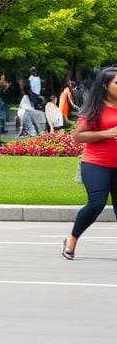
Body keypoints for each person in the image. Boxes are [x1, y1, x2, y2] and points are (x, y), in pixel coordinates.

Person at [62, 67, 117, 260]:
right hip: (96, 164)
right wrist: (108, 133)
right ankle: (72, 239)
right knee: (96, 204)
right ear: (105, 86)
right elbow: (77, 137)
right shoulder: (95, 108)